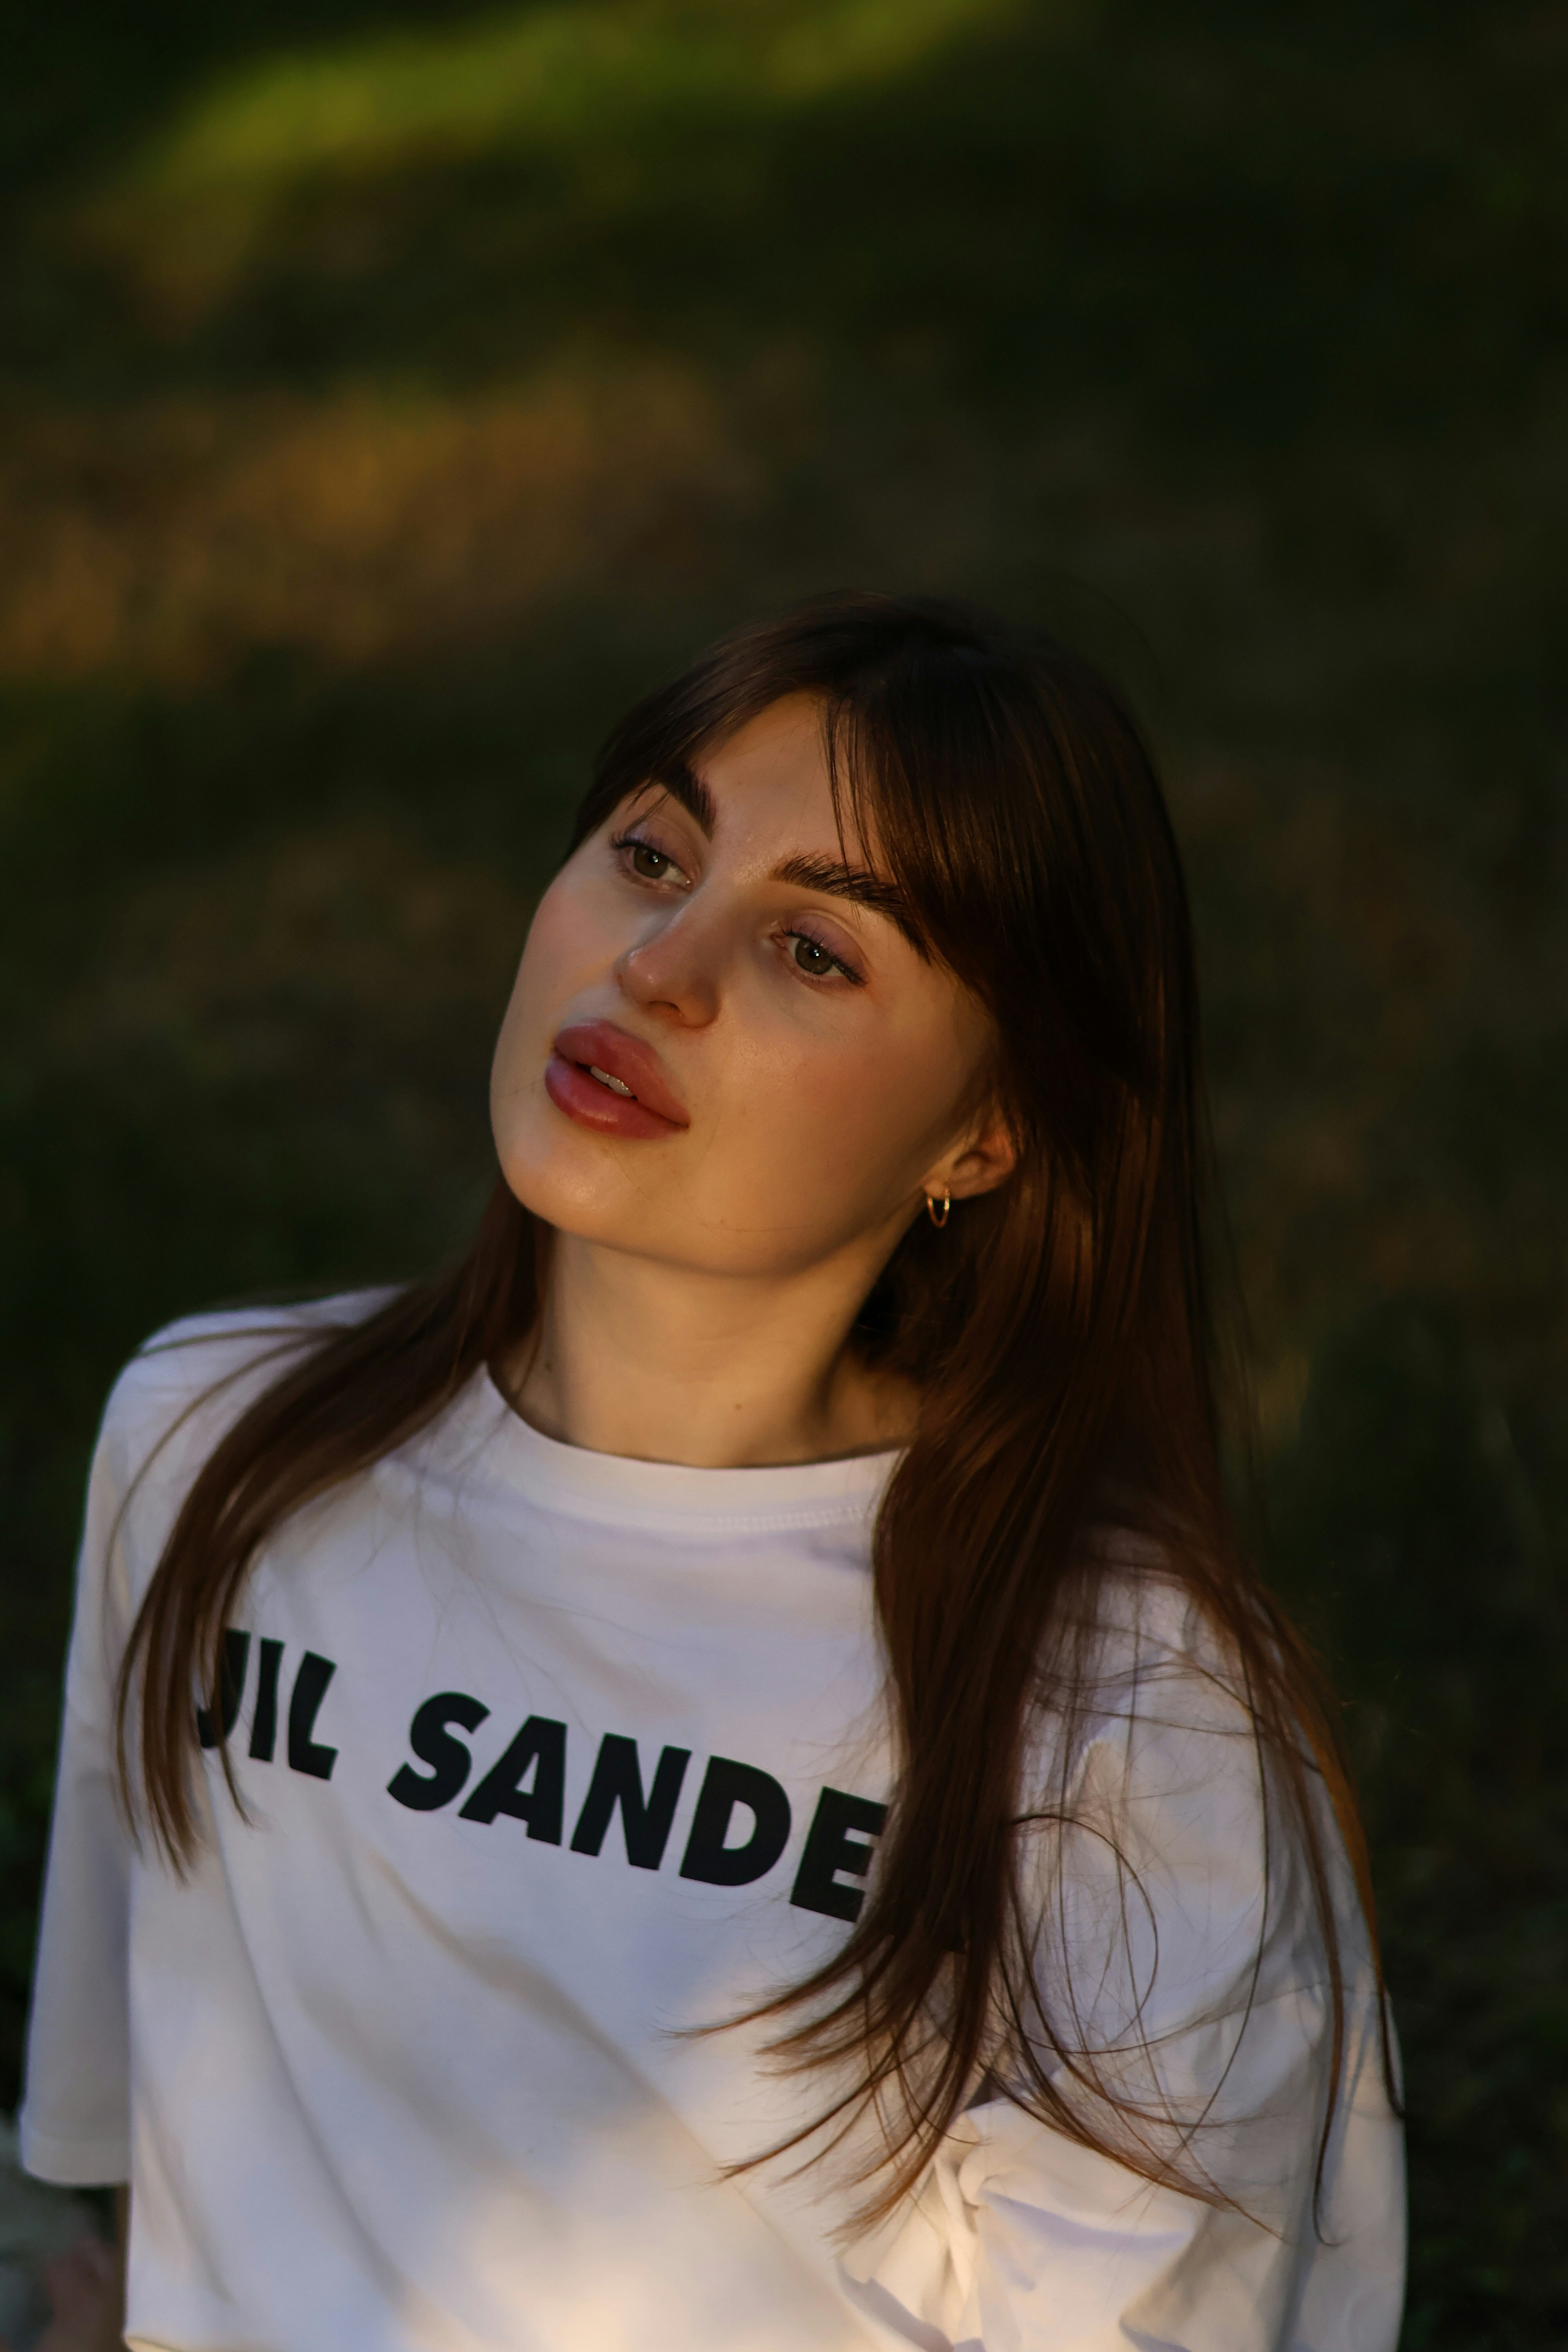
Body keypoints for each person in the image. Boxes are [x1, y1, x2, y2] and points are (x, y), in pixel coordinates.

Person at [17, 594, 1405, 2352]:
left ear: (985, 1136)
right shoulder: (213, 1439)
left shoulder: (1120, 1697)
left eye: (818, 952)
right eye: (652, 851)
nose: (656, 967)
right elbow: (145, 2168)